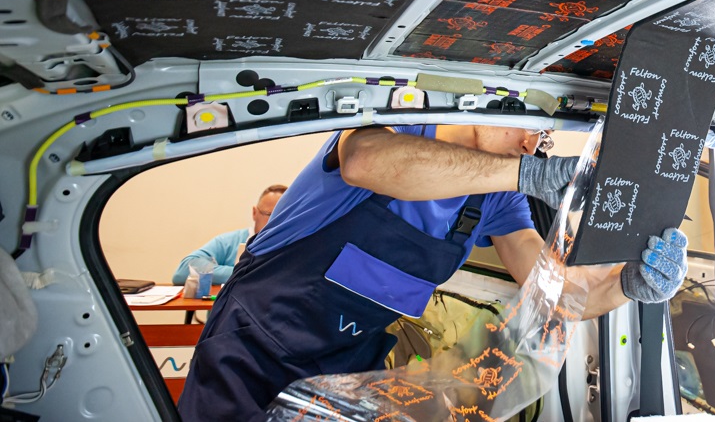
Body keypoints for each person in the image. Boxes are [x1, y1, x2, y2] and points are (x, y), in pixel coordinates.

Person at [178, 124, 688, 422]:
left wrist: (627, 284)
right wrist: (524, 174)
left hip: (348, 375)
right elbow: (363, 160)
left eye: (544, 137)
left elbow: (556, 293)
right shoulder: (395, 129)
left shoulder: (495, 199)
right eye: (531, 125)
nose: (533, 143)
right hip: (251, 357)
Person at [171, 184, 287, 286]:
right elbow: (183, 271)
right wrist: (247, 273)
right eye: (270, 214)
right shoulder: (228, 243)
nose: (276, 222)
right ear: (254, 213)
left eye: (284, 216)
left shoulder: (293, 247)